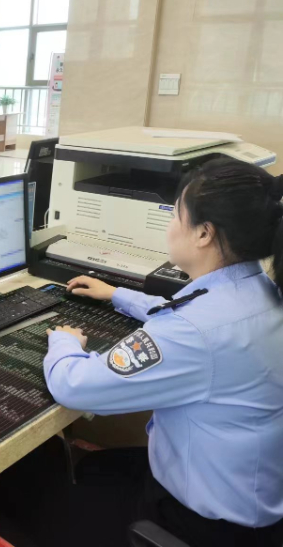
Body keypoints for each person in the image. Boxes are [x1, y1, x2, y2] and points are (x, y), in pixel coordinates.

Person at [43, 159, 283, 547]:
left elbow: (74, 386)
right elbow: (198, 312)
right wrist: (118, 294)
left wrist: (65, 342)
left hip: (203, 527)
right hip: (248, 501)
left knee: (53, 501)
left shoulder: (194, 333)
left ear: (204, 233)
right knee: (98, 468)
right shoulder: (260, 290)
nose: (169, 225)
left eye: (174, 214)